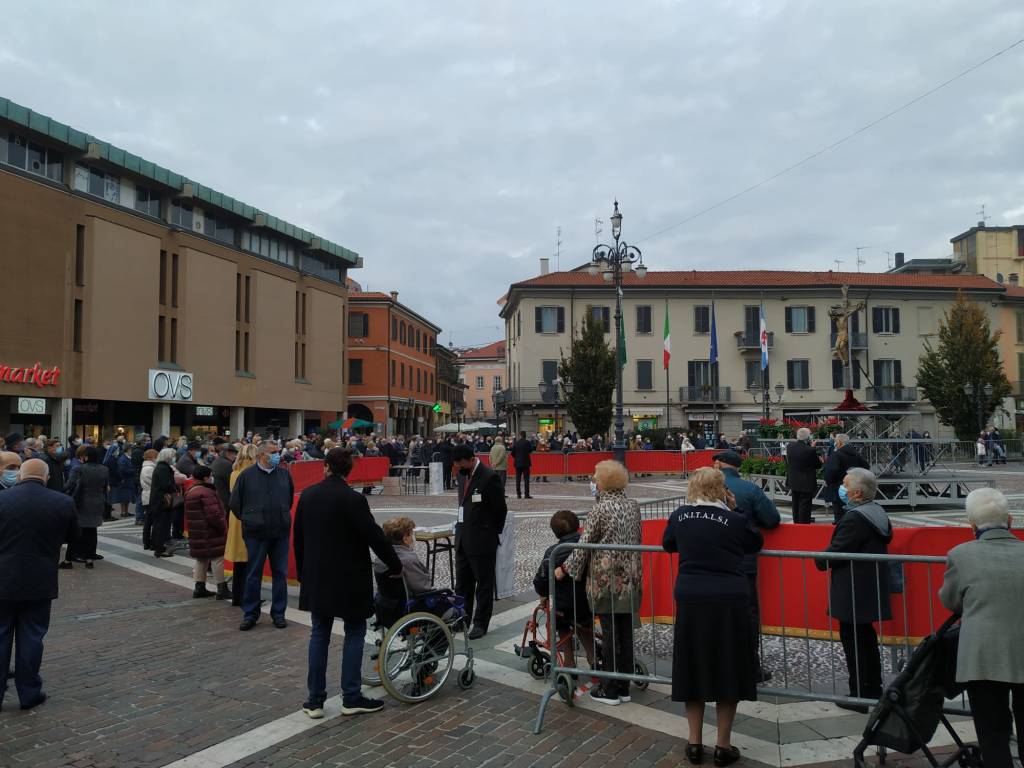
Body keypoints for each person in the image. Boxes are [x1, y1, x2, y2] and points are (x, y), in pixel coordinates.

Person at [662, 467, 763, 766]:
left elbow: (668, 544)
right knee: (727, 667)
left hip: (691, 596)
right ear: (721, 489)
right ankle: (722, 744)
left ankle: (694, 743)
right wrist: (735, 508)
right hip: (729, 598)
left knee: (692, 666)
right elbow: (755, 543)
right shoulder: (734, 519)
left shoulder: (680, 516)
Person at [295, 447, 401, 718]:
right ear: (348, 471)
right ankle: (351, 696)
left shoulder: (308, 495)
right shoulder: (353, 499)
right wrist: (395, 562)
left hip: (317, 575)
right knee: (355, 630)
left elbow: (299, 538)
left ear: (326, 467)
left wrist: (302, 573)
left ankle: (315, 700)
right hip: (349, 577)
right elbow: (374, 536)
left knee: (319, 633)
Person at [939, 487, 1024, 768]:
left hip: (983, 656)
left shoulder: (960, 555)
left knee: (993, 732)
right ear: (1010, 521)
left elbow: (951, 600)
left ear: (971, 526)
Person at [557, 460, 641, 707]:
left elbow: (584, 546)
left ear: (605, 481)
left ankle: (610, 688)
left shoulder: (601, 509)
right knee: (625, 631)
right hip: (631, 577)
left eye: (595, 476)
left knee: (610, 632)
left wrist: (564, 569)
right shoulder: (632, 505)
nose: (592, 479)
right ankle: (624, 685)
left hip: (607, 580)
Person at [0, 459, 79, 712]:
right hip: (40, 577)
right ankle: (29, 691)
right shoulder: (62, 502)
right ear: (45, 477)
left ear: (21, 475)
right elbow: (73, 537)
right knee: (32, 636)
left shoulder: (3, 499)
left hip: (3, 576)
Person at [815, 468, 892, 712]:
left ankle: (859, 693)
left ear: (857, 492)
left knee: (854, 641)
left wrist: (819, 558)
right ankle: (872, 689)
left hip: (853, 587)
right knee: (866, 639)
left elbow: (837, 551)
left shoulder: (855, 518)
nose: (842, 488)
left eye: (845, 484)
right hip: (867, 584)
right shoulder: (877, 511)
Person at [713, 450, 780, 684]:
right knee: (748, 615)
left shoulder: (705, 488)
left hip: (712, 563)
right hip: (743, 563)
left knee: (716, 614)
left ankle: (718, 663)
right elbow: (772, 519)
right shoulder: (750, 489)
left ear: (719, 465)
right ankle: (750, 666)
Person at [230, 440, 295, 631]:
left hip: (279, 531)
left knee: (280, 574)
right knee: (253, 574)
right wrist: (250, 519)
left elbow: (289, 498)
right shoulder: (246, 476)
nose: (278, 455)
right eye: (273, 452)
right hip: (256, 532)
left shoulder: (284, 475)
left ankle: (279, 613)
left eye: (278, 451)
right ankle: (250, 613)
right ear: (261, 455)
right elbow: (235, 503)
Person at [451, 443, 508, 639]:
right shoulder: (462, 474)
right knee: (462, 583)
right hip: (463, 538)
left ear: (470, 459)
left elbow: (501, 510)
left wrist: (490, 532)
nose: (458, 468)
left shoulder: (488, 477)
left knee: (483, 584)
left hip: (482, 540)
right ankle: (462, 618)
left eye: (460, 464)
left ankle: (480, 622)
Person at [533, 509, 595, 671]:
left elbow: (541, 580)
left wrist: (543, 594)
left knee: (560, 622)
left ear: (555, 533)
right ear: (578, 527)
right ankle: (593, 656)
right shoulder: (589, 546)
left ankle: (568, 660)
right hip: (589, 600)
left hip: (564, 604)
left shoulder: (553, 552)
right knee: (583, 622)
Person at [184, 465, 231, 600]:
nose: (212, 478)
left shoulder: (191, 491)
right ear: (205, 477)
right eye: (210, 475)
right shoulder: (206, 492)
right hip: (210, 531)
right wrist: (223, 527)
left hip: (197, 531)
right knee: (217, 558)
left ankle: (199, 587)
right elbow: (214, 514)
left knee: (201, 559)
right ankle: (222, 588)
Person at [64, 445, 109, 568]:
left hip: (80, 502)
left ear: (86, 456)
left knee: (76, 530)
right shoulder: (104, 469)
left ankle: (69, 560)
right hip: (97, 502)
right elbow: (105, 486)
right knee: (92, 531)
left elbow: (69, 484)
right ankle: (90, 558)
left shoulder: (79, 469)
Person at [226, 444, 258, 607]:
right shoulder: (251, 474)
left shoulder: (234, 471)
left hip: (235, 516)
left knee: (239, 562)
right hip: (249, 516)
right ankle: (248, 596)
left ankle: (237, 595)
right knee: (250, 560)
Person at [822, 434, 870, 524]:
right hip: (854, 487)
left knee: (839, 512)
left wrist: (829, 480)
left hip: (839, 487)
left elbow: (832, 470)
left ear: (840, 442)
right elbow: (866, 466)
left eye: (836, 441)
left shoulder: (837, 454)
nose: (835, 443)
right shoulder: (855, 453)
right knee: (852, 510)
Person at [377, 517, 432, 594]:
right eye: (411, 534)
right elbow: (422, 588)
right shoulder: (408, 559)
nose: (413, 538)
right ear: (405, 539)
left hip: (386, 602)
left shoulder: (382, 556)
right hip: (411, 602)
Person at [148, 448, 180, 558]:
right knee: (162, 525)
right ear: (167, 457)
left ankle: (158, 546)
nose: (174, 458)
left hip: (159, 500)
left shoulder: (161, 467)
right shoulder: (163, 468)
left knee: (160, 524)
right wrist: (175, 488)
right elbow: (166, 484)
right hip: (162, 501)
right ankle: (159, 549)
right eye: (172, 456)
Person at [786, 427, 821, 524]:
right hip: (806, 482)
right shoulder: (810, 450)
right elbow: (818, 465)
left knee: (795, 503)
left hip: (794, 480)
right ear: (808, 437)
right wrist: (813, 448)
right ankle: (803, 525)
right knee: (804, 505)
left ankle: (796, 522)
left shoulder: (790, 446)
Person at [138, 449, 158, 544]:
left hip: (149, 495)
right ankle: (147, 541)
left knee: (149, 520)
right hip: (150, 496)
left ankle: (148, 541)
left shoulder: (150, 467)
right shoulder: (148, 468)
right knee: (149, 521)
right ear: (151, 457)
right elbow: (152, 482)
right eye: (156, 456)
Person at [210, 442, 237, 513]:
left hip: (217, 497)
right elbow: (233, 483)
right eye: (234, 454)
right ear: (228, 453)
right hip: (225, 500)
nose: (235, 456)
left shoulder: (216, 461)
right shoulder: (227, 465)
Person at [510, 431, 533, 499]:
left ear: (520, 435)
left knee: (518, 479)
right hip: (526, 463)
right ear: (525, 436)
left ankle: (518, 494)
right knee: (526, 479)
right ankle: (526, 494)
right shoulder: (527, 442)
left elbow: (512, 453)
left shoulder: (516, 443)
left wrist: (516, 457)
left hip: (518, 463)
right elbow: (530, 450)